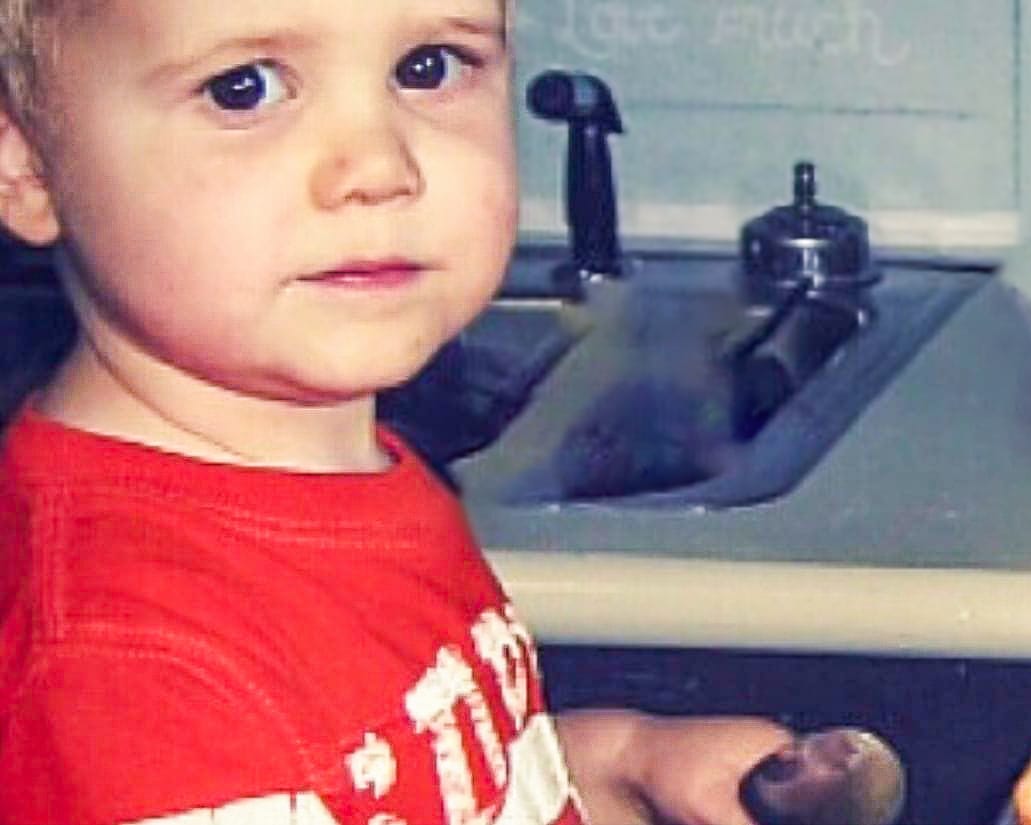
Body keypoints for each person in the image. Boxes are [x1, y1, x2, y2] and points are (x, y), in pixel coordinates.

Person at [0, 1, 822, 823]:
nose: (381, 165)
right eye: (243, 89)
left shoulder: (327, 465)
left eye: (427, 67)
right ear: (27, 166)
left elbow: (408, 783)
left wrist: (623, 767)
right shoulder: (129, 669)